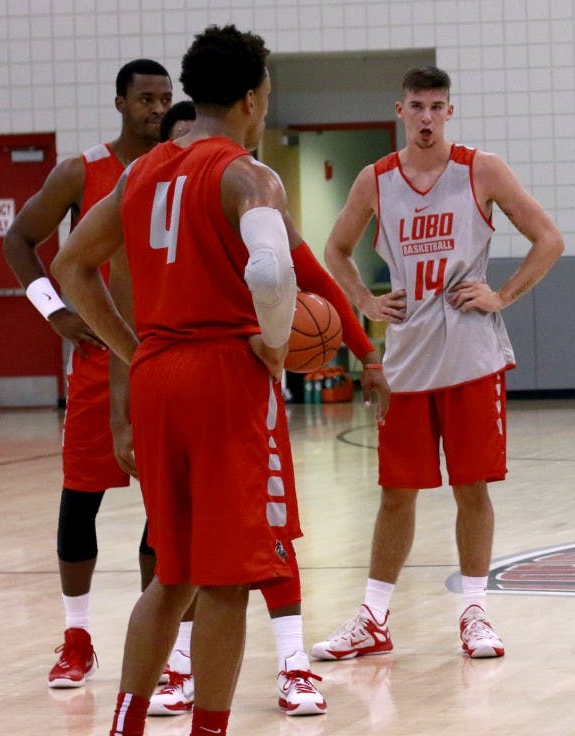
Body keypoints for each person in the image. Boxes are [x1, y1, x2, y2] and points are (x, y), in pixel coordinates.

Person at [52, 24, 309, 736]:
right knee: (225, 580)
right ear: (255, 96)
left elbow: (71, 265)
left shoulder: (142, 171)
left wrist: (134, 352)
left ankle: (126, 724)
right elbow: (270, 271)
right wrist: (279, 343)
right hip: (225, 374)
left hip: (159, 371)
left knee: (174, 572)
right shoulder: (249, 175)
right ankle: (209, 730)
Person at [140, 99, 389, 718]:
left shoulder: (248, 195)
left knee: (269, 528)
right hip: (181, 383)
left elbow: (306, 274)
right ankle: (180, 663)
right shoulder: (154, 195)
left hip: (240, 386)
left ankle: (292, 664)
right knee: (176, 548)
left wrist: (366, 354)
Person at [312, 65, 564, 661]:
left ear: (450, 112)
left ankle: (474, 611)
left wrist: (502, 295)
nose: (427, 117)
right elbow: (334, 249)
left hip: (473, 357)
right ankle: (373, 617)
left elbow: (548, 239)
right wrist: (365, 301)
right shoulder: (376, 180)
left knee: (470, 488)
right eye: (416, 106)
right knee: (396, 493)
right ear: (399, 111)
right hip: (406, 361)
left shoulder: (482, 170)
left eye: (437, 106)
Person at [1, 58, 172, 689]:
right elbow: (18, 238)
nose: (156, 109)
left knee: (165, 509)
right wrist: (54, 311)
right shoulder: (82, 169)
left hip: (164, 357)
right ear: (120, 102)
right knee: (80, 503)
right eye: (146, 99)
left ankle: (162, 644)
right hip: (102, 363)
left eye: (165, 99)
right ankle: (77, 639)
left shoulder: (179, 168)